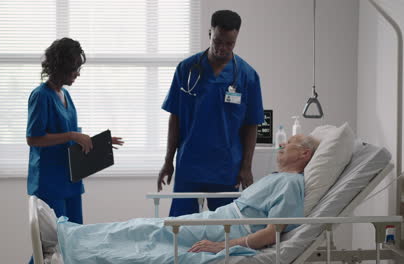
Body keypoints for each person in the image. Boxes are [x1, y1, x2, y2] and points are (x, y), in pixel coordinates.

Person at [56, 135, 319, 264]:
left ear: (305, 154)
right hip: (218, 220)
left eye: (290, 144)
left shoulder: (290, 183)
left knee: (146, 234)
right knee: (145, 227)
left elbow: (273, 232)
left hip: (227, 228)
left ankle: (75, 244)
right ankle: (72, 236)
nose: (282, 145)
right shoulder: (276, 177)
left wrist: (224, 246)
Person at [158, 10, 265, 216]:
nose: (222, 48)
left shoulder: (248, 76)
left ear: (236, 39)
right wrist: (168, 161)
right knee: (181, 228)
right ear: (210, 33)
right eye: (218, 41)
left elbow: (252, 125)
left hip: (226, 166)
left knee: (225, 231)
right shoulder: (186, 69)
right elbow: (175, 118)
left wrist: (247, 167)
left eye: (229, 44)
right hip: (190, 163)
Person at [26, 37, 124, 224]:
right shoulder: (41, 96)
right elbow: (33, 139)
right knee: (54, 245)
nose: (77, 74)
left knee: (74, 241)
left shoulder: (65, 95)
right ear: (59, 67)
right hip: (49, 182)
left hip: (70, 180)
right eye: (74, 69)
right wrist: (72, 135)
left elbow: (69, 138)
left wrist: (98, 143)